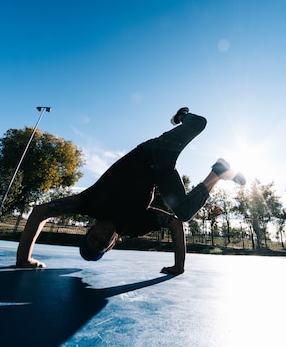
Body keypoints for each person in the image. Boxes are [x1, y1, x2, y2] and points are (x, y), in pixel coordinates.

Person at [16, 108, 245, 275]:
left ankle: (182, 115)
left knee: (198, 123)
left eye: (93, 238)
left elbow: (39, 212)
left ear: (90, 229)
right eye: (102, 244)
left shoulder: (90, 203)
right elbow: (175, 224)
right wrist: (179, 266)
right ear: (112, 245)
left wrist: (23, 259)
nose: (101, 237)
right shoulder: (134, 226)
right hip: (162, 174)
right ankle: (218, 172)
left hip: (152, 152)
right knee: (184, 214)